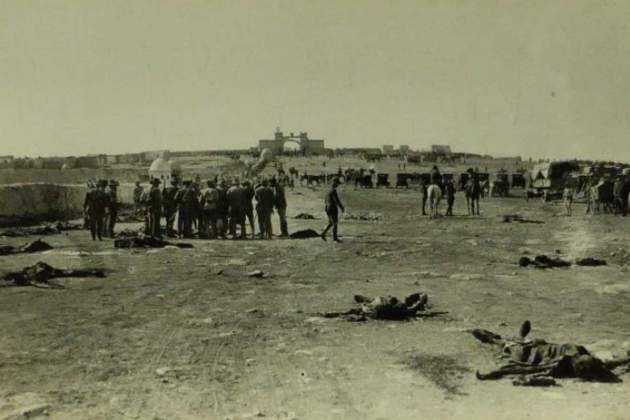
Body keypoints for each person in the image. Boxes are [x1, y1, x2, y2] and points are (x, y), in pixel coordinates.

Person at [322, 178, 345, 243]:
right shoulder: (333, 191)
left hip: (327, 208)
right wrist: (341, 207)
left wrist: (327, 207)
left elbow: (325, 200)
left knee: (331, 222)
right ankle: (335, 238)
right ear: (335, 183)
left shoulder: (328, 191)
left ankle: (323, 233)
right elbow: (337, 200)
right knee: (335, 223)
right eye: (337, 183)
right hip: (332, 208)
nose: (338, 185)